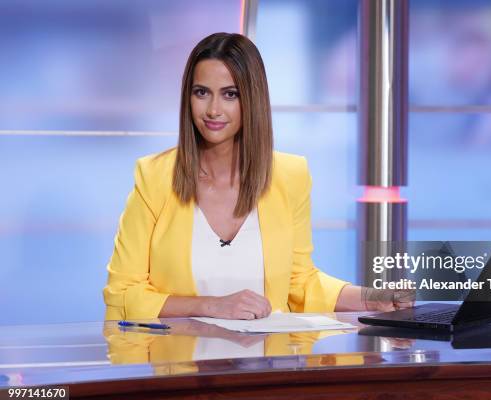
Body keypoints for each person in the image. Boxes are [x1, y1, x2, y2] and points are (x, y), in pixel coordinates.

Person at [103, 32, 413, 321]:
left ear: (252, 99)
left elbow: (300, 282)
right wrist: (214, 306)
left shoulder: (290, 176)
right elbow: (123, 292)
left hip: (263, 367)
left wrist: (372, 298)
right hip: (180, 367)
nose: (213, 109)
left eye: (230, 94)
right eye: (201, 93)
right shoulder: (154, 176)